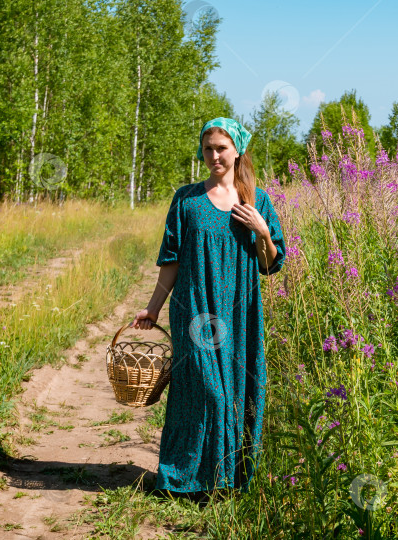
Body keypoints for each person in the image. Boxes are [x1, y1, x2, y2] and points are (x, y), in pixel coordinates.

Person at [130, 117, 286, 496]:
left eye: (221, 148)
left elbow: (270, 264)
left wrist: (262, 231)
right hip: (195, 310)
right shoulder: (187, 199)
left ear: (237, 151)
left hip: (240, 313)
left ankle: (226, 480)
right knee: (206, 392)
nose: (214, 155)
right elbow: (172, 261)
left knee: (237, 390)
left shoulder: (258, 201)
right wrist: (153, 308)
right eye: (208, 149)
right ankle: (182, 477)